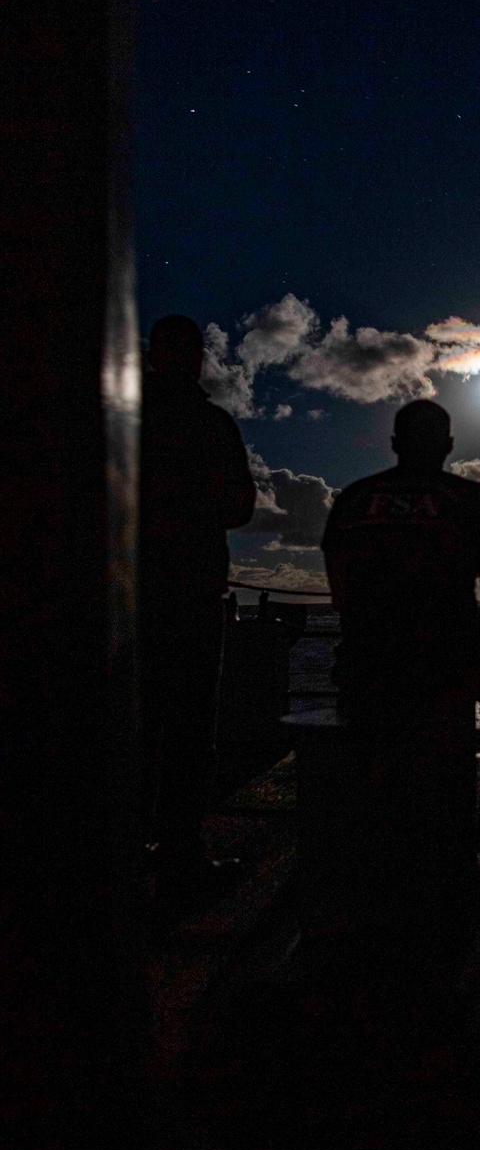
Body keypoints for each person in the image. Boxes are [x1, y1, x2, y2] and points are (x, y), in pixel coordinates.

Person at [320, 399, 480, 862]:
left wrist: (373, 642)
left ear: (393, 444)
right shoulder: (474, 500)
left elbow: (342, 594)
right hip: (452, 648)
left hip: (370, 655)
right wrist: (462, 653)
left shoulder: (353, 500)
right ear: (449, 444)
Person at [139, 314, 257, 910]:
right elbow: (240, 506)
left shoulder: (124, 423)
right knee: (186, 733)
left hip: (131, 599)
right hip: (187, 596)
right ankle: (179, 864)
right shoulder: (211, 425)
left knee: (138, 729)